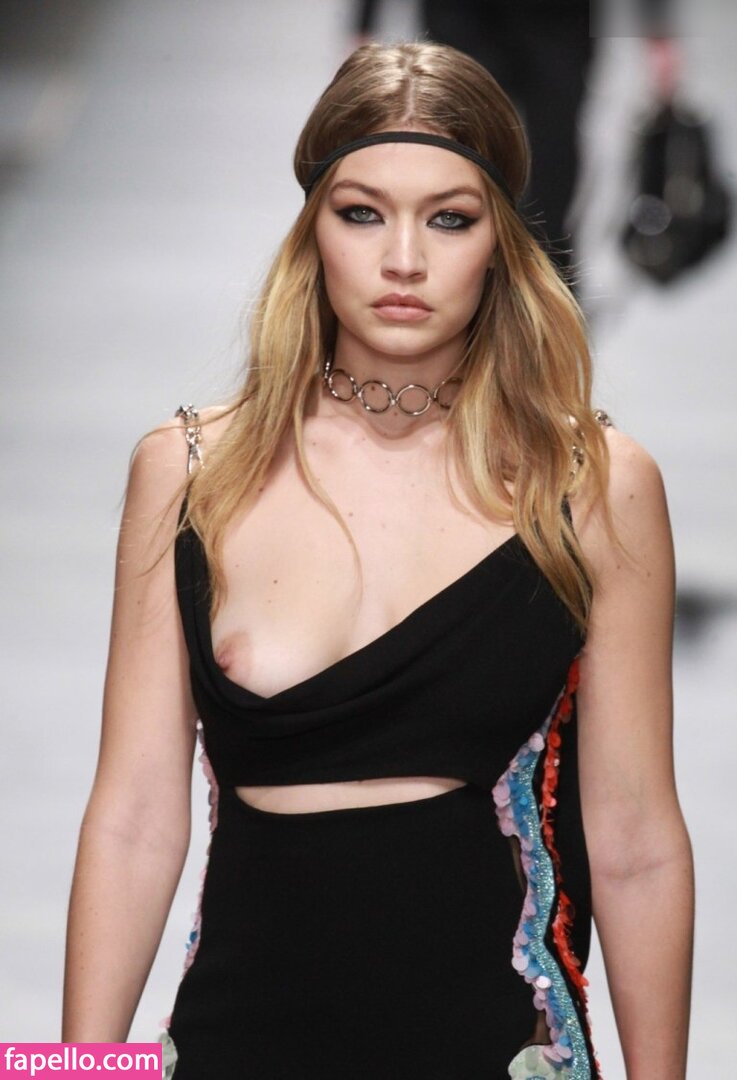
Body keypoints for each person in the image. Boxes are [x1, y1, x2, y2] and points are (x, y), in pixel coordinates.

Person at [62, 42, 693, 1079]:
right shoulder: (188, 472)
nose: (403, 259)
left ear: (500, 241)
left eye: (448, 218)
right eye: (361, 213)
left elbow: (633, 838)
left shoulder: (589, 485)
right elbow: (131, 817)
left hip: (489, 1050)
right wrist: (69, 1073)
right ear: (312, 230)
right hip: (237, 1048)